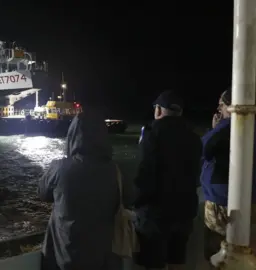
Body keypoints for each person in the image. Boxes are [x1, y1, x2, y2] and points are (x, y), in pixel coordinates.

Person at [38, 110, 131, 270]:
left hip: (66, 257)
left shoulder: (59, 167)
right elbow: (127, 199)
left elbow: (42, 193)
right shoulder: (116, 170)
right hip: (104, 257)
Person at [132, 90, 202, 270]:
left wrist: (138, 203)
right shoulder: (194, 137)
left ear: (158, 110)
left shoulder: (151, 133)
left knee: (152, 261)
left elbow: (145, 171)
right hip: (184, 210)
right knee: (177, 259)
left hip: (155, 212)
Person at [200, 89, 256, 267]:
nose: (219, 111)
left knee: (218, 252)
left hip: (222, 198)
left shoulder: (229, 126)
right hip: (250, 198)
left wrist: (215, 128)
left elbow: (204, 149)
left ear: (232, 106)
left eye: (221, 106)